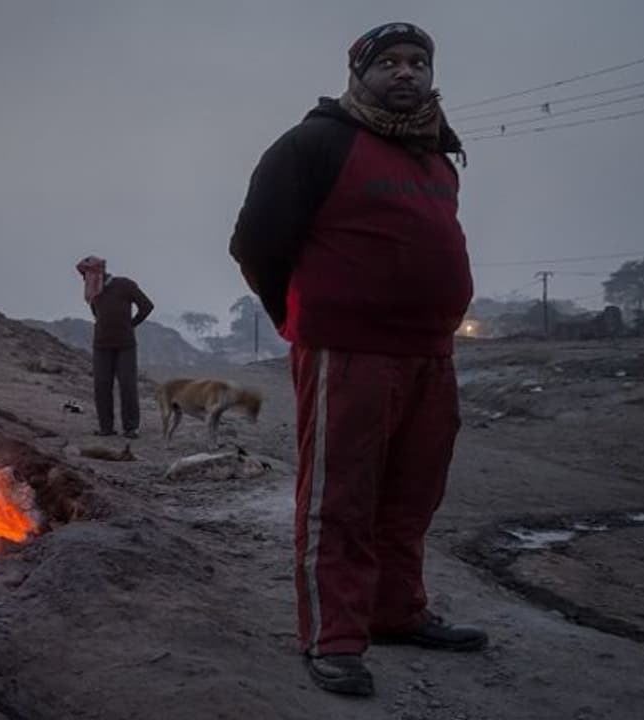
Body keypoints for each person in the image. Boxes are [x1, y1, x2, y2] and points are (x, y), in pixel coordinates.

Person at [229, 22, 486, 697]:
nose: (406, 73)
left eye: (418, 63)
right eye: (389, 63)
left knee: (411, 496)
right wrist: (298, 315)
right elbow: (256, 241)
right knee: (340, 500)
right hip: (347, 354)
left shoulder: (436, 153)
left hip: (430, 356)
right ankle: (334, 638)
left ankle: (397, 613)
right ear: (358, 74)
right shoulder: (316, 143)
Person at [75, 255, 153, 439]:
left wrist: (131, 324)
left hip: (125, 345)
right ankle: (106, 428)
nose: (85, 279)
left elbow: (147, 306)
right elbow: (97, 314)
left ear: (98, 272)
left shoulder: (125, 285)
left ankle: (131, 428)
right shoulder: (93, 292)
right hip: (101, 346)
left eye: (87, 274)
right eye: (83, 275)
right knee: (101, 386)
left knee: (127, 386)